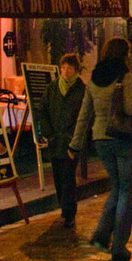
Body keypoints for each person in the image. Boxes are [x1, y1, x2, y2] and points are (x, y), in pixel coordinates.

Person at [68, 37, 132, 261]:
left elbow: (84, 115)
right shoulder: (125, 77)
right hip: (122, 139)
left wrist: (75, 144)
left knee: (116, 186)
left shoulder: (94, 79)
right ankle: (119, 247)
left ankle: (102, 235)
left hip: (100, 139)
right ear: (124, 55)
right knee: (125, 192)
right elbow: (130, 107)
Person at [35, 53, 85, 228]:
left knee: (68, 175)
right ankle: (63, 207)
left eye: (69, 68)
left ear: (75, 70)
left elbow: (84, 115)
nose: (65, 71)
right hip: (55, 140)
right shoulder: (53, 88)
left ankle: (69, 211)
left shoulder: (80, 88)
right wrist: (49, 133)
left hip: (72, 141)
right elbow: (43, 111)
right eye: (62, 68)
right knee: (57, 174)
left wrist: (75, 136)